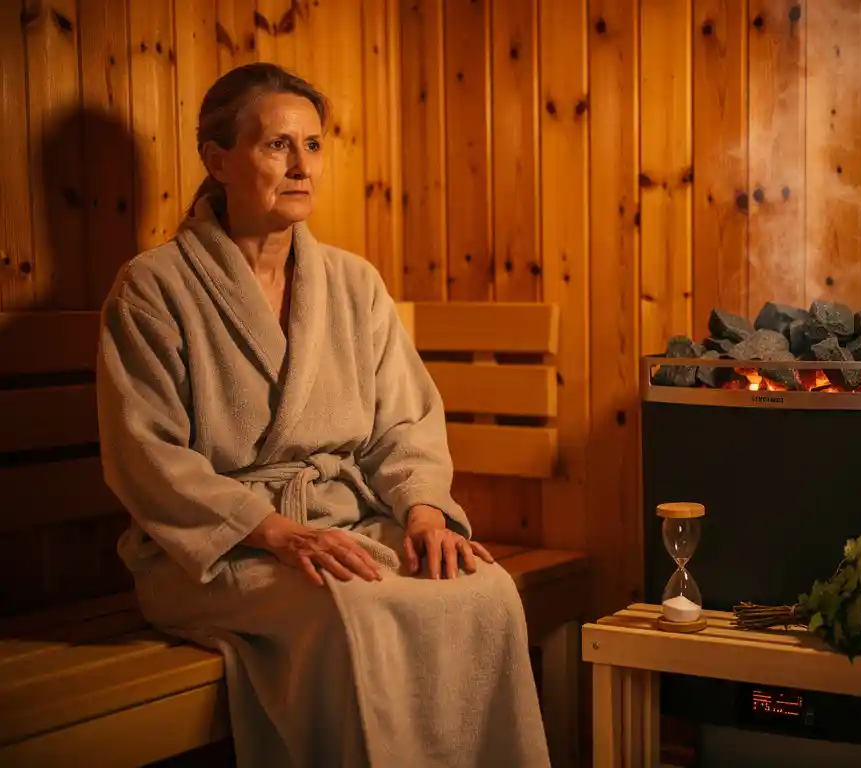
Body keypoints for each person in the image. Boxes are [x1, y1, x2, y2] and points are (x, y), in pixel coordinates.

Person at [95, 62, 550, 768]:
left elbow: (404, 424)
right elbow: (146, 454)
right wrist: (273, 531)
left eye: (312, 144)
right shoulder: (153, 290)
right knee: (352, 608)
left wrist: (424, 511)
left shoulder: (351, 282)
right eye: (277, 145)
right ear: (217, 159)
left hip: (341, 521)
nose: (302, 165)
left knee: (483, 588)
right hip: (215, 552)